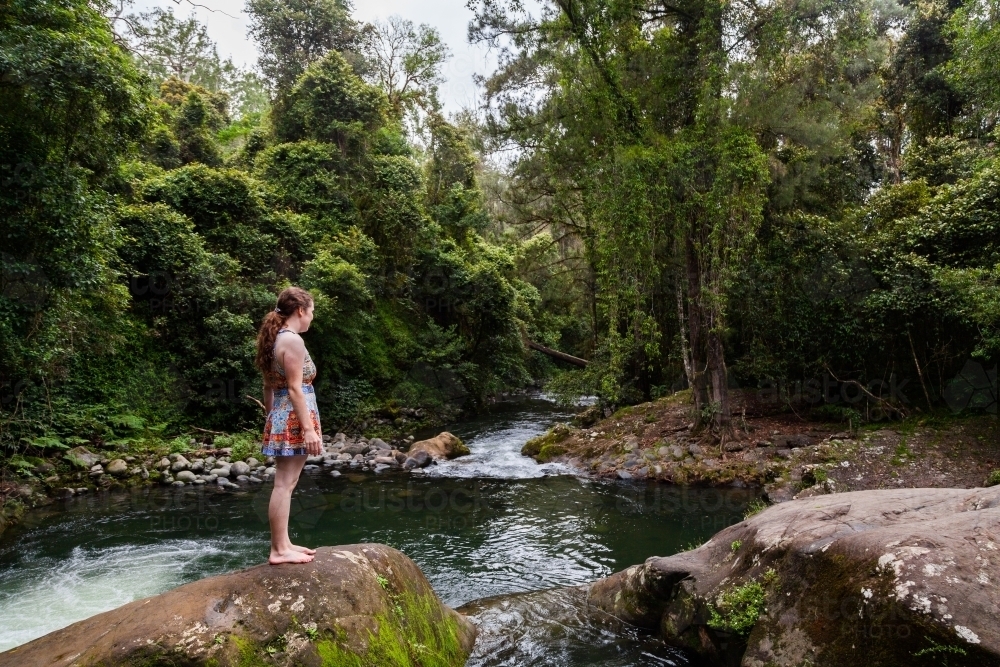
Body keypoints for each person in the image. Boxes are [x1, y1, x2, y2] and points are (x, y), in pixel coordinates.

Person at [254, 286, 323, 564]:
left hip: (284, 415)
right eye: (312, 312)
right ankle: (279, 550)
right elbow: (295, 388)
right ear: (300, 310)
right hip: (295, 416)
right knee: (284, 484)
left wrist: (273, 418)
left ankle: (284, 544)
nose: (312, 318)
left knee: (287, 483)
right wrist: (307, 429)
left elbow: (268, 385)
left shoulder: (274, 337)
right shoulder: (292, 340)